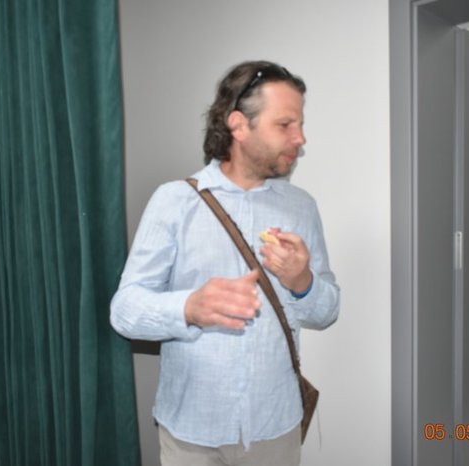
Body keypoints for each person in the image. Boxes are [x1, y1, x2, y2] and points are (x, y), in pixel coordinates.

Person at [110, 60, 340, 466]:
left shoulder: (302, 207)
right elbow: (124, 310)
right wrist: (188, 307)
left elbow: (327, 312)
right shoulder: (174, 201)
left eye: (300, 124)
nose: (300, 138)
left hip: (276, 428)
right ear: (238, 124)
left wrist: (302, 281)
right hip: (192, 433)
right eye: (284, 124)